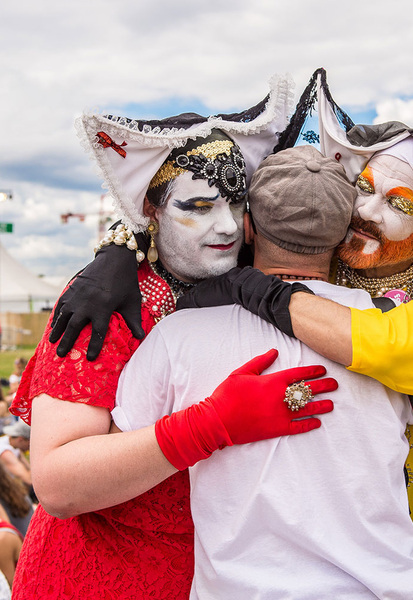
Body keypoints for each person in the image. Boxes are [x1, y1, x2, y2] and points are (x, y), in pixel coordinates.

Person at [114, 145, 413, 599]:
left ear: (248, 228)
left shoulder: (179, 335)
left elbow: (115, 462)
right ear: (345, 236)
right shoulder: (395, 331)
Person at [9, 79, 337, 600]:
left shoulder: (260, 274)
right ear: (154, 212)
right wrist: (210, 425)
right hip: (101, 574)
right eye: (199, 206)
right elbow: (57, 484)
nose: (228, 224)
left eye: (236, 202)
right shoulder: (111, 301)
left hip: (226, 574)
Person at [0, 420, 31, 488]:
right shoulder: (5, 453)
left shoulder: (13, 443)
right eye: (29, 444)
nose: (30, 448)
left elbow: (29, 467)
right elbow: (28, 479)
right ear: (20, 439)